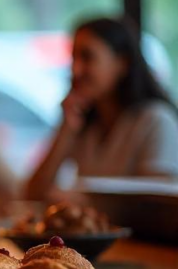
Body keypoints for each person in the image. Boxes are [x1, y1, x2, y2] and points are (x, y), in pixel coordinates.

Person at [26, 16, 178, 201]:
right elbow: (32, 195)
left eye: (87, 57)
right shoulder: (84, 125)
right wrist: (65, 131)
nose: (76, 70)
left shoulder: (155, 121)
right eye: (73, 58)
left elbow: (156, 203)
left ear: (122, 63)